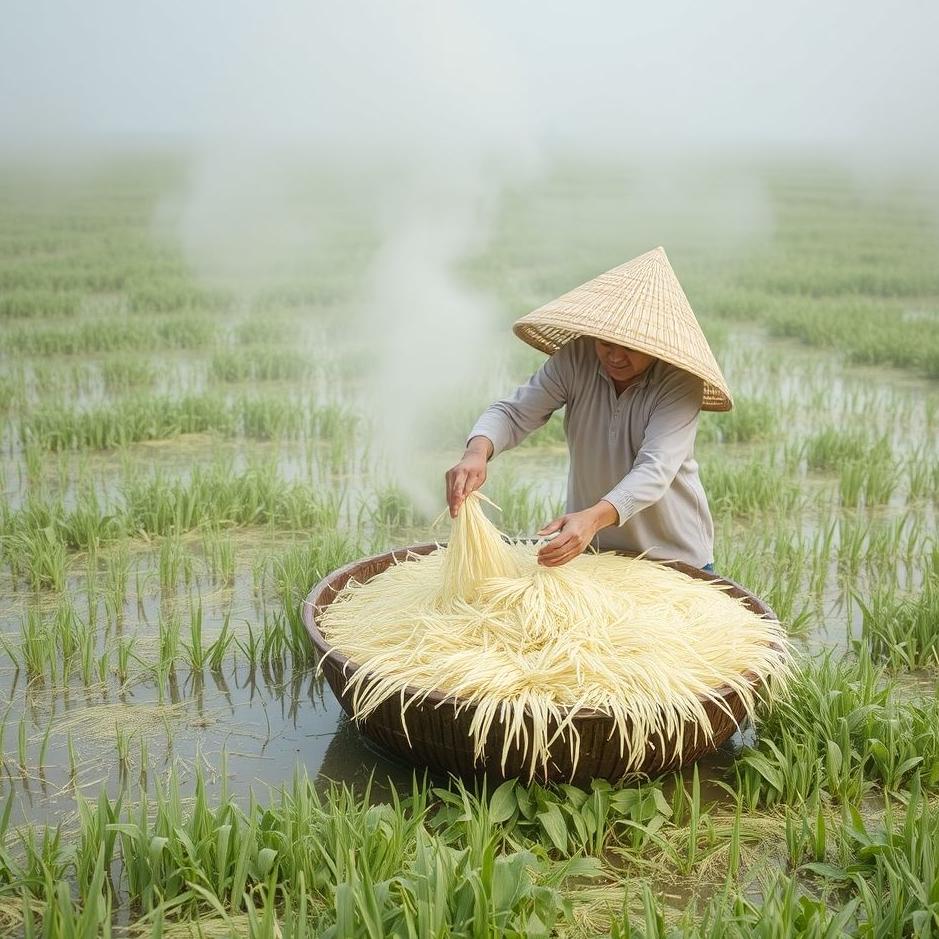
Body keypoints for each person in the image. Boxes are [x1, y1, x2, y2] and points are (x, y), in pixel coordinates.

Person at [445, 246, 733, 571]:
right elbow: (513, 413)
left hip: (671, 556)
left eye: (631, 347)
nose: (615, 357)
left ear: (656, 344)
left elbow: (655, 469)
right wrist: (476, 452)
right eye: (606, 342)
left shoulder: (679, 382)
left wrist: (593, 519)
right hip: (595, 554)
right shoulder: (576, 357)